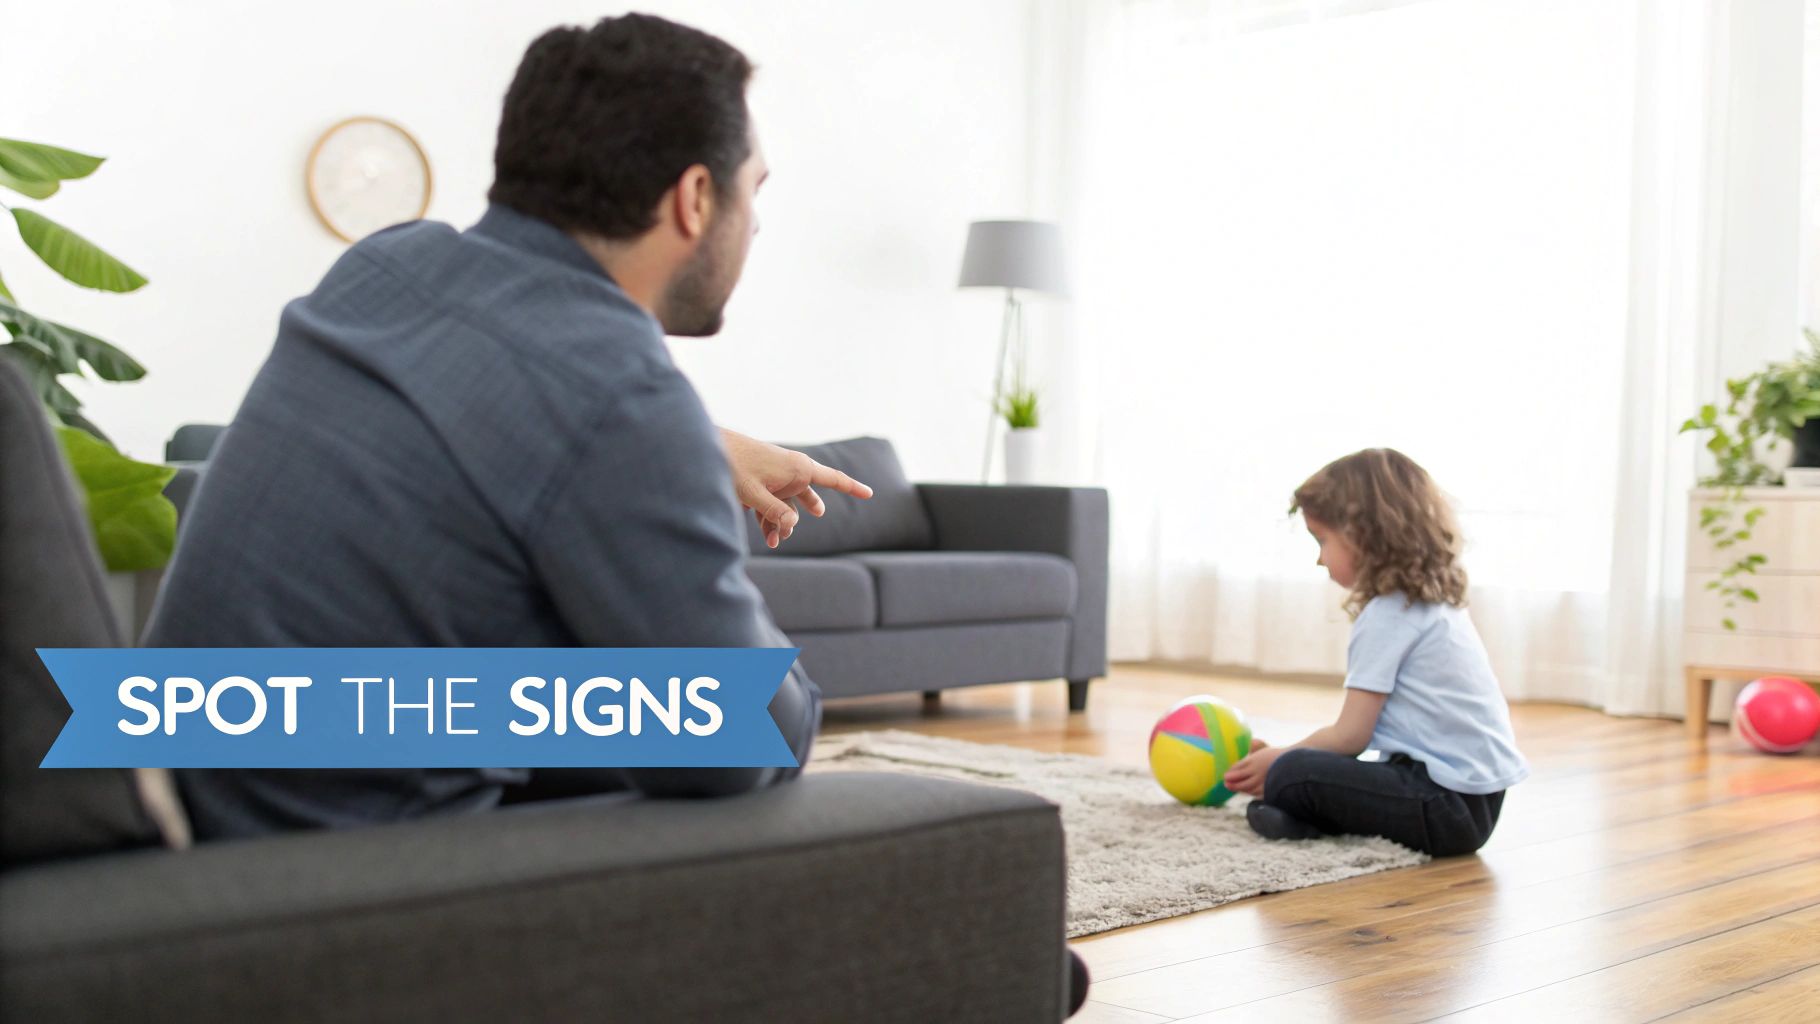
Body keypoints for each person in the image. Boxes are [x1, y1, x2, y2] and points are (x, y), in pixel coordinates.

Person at [146, 13, 870, 841]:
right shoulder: (619, 394)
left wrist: (691, 443)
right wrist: (684, 461)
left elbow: (507, 420)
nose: (757, 223)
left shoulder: (386, 265)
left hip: (188, 797)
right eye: (754, 190)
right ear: (696, 199)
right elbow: (748, 739)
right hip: (341, 873)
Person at [1222, 449, 1528, 857]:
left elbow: (1350, 737)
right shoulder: (1428, 602)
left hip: (1446, 809)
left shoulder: (1388, 615)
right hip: (1470, 804)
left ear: (1365, 536)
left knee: (1294, 774)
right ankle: (1301, 817)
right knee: (1304, 771)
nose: (1319, 558)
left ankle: (1304, 813)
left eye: (1322, 540)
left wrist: (1280, 760)